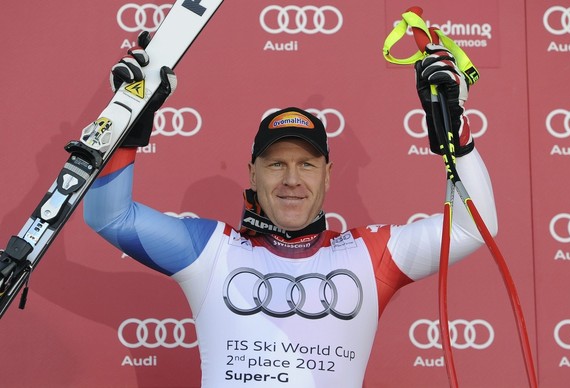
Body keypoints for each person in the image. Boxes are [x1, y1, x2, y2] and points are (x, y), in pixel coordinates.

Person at [84, 33, 497, 387]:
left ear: (328, 175)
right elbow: (109, 217)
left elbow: (474, 229)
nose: (292, 180)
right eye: (276, 164)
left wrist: (454, 132)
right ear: (253, 172)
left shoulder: (368, 256)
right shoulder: (211, 251)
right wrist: (126, 127)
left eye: (307, 164)